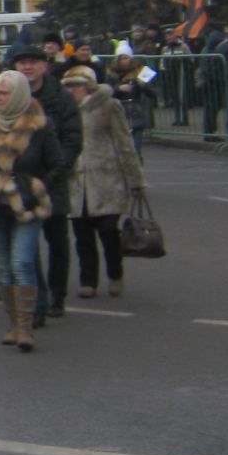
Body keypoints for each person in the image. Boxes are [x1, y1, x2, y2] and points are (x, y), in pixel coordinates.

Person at [0, 70, 64, 352]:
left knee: (22, 263)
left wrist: (37, 188)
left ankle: (26, 327)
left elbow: (57, 163)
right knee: (4, 267)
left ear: (18, 94)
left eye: (3, 93)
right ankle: (13, 324)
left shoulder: (39, 123)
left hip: (26, 205)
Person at [60, 66, 146, 299]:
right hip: (76, 182)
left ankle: (115, 273)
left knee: (108, 231)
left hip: (106, 179)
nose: (72, 90)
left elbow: (124, 142)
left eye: (76, 85)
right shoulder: (64, 110)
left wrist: (135, 178)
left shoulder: (108, 106)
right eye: (67, 86)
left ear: (88, 85)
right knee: (83, 236)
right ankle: (88, 281)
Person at [9, 44, 80, 321]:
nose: (27, 67)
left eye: (33, 62)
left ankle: (57, 296)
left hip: (53, 180)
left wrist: (57, 170)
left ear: (44, 66)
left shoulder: (61, 99)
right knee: (27, 247)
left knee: (57, 241)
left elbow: (73, 140)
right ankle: (36, 300)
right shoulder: (10, 98)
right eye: (22, 62)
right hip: (22, 182)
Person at [106, 52, 153, 157]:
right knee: (121, 150)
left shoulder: (139, 72)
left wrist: (144, 86)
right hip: (119, 113)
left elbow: (152, 94)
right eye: (122, 58)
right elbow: (106, 92)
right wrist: (118, 89)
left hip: (135, 112)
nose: (125, 61)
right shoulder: (111, 74)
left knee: (136, 150)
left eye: (127, 58)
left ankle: (138, 171)